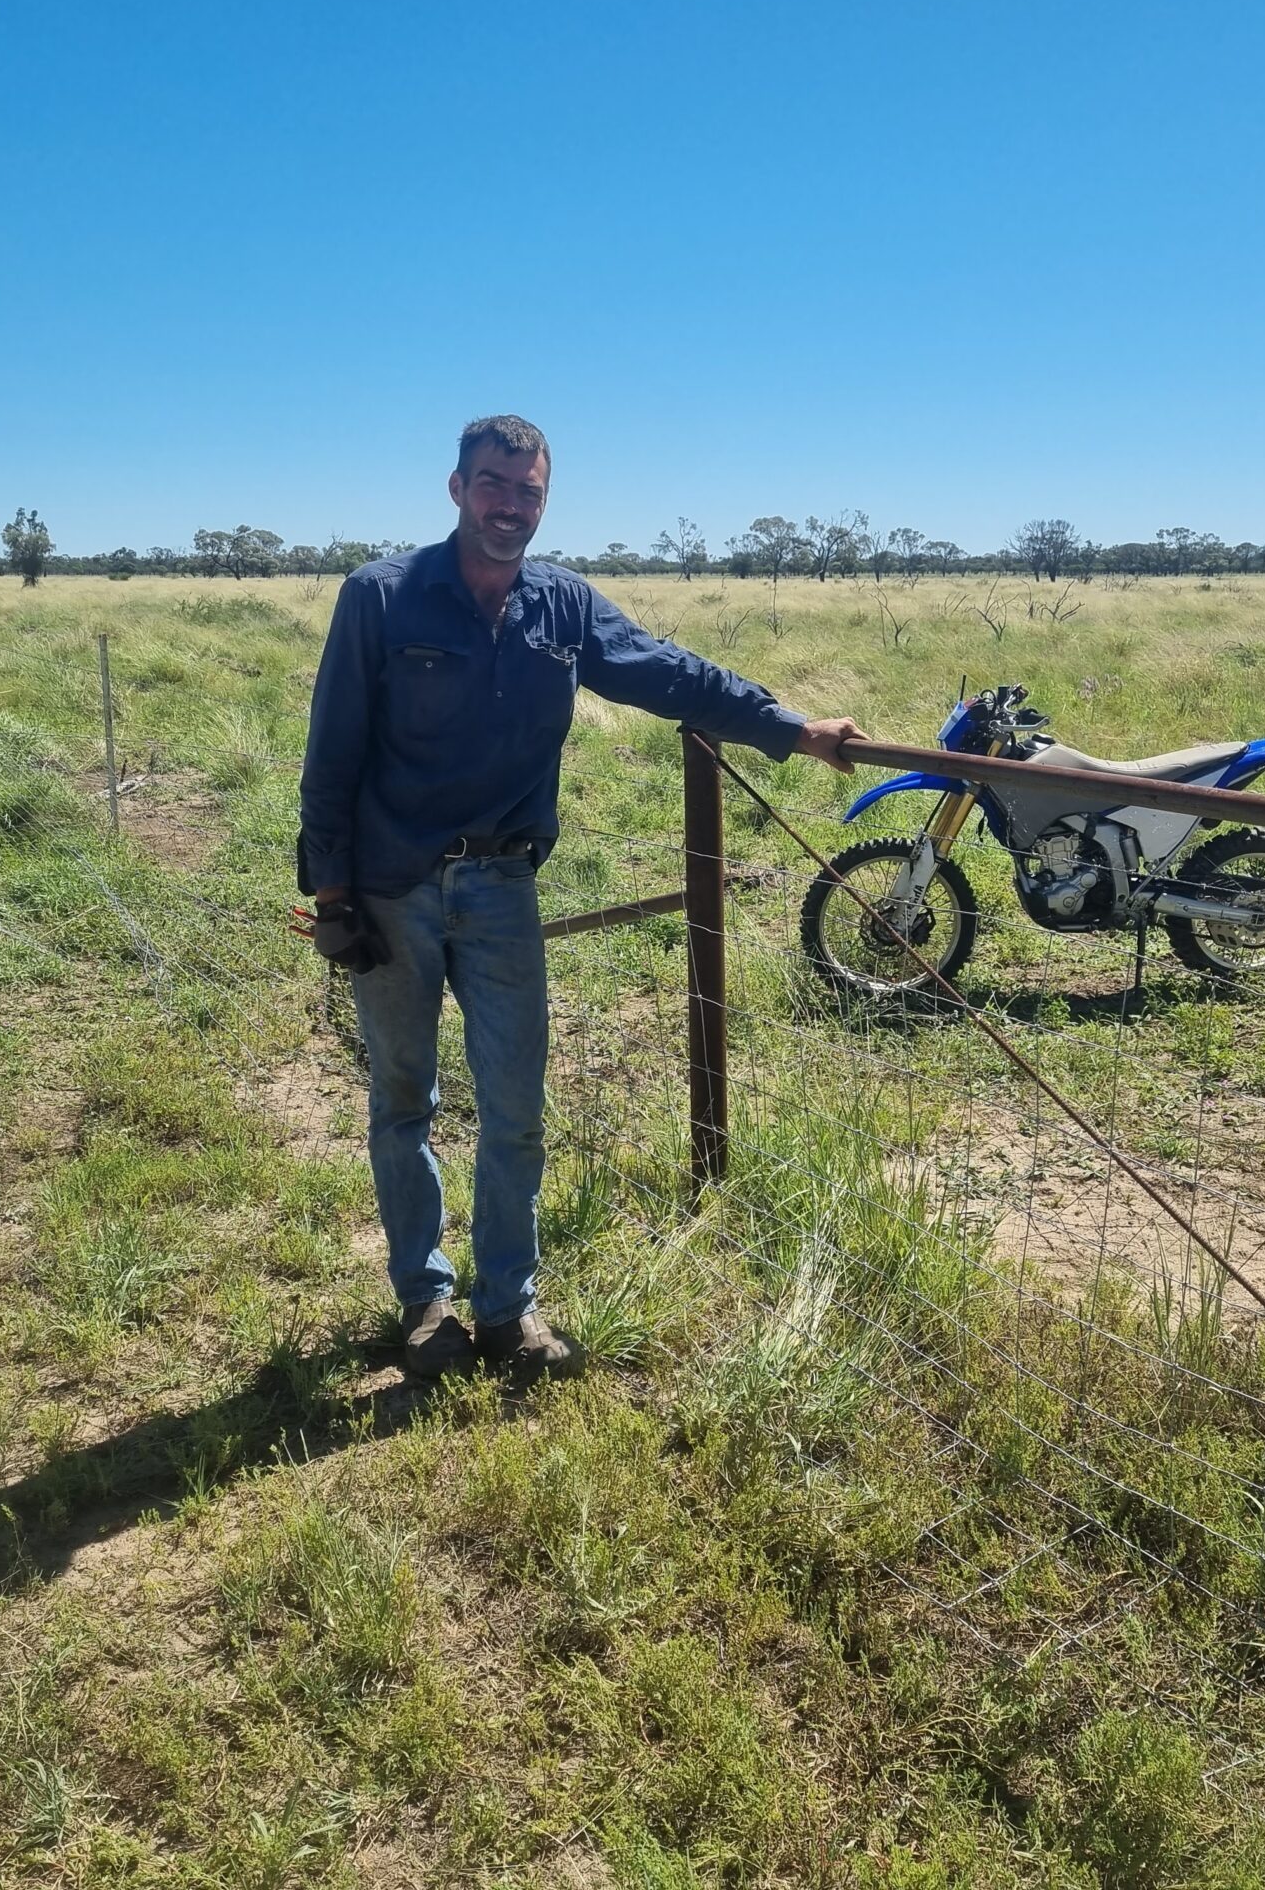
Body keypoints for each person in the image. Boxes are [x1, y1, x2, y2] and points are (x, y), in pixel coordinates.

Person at [299, 415, 865, 1381]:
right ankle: (425, 1299)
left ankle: (506, 1309)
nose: (508, 506)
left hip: (503, 884)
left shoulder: (563, 606)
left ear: (544, 498)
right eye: (492, 484)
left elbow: (668, 673)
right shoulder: (381, 598)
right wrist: (333, 893)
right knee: (404, 1100)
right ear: (455, 488)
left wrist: (788, 727)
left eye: (527, 491)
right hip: (393, 886)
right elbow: (334, 747)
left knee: (516, 1107)